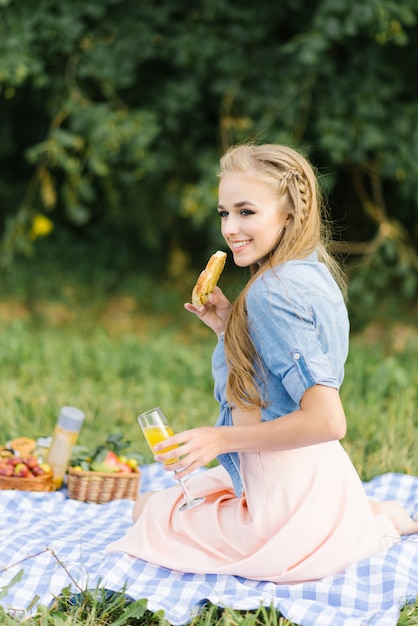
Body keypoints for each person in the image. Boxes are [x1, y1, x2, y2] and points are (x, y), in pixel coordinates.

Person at [107, 143, 418, 582]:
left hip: (280, 515)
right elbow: (275, 376)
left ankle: (342, 530)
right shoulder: (308, 271)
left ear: (288, 214)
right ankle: (366, 521)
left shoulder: (272, 293)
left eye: (246, 212)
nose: (230, 228)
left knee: (147, 511)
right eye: (223, 213)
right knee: (193, 493)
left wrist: (219, 439)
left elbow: (329, 421)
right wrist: (228, 326)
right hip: (323, 483)